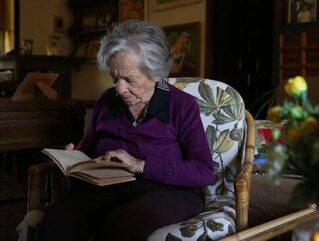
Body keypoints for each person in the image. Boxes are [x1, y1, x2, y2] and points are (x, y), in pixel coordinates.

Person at [34, 20, 215, 241]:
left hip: (167, 191)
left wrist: (139, 165)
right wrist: (75, 156)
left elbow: (204, 170)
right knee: (58, 219)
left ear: (156, 74)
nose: (119, 89)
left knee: (123, 224)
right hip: (107, 188)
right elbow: (90, 150)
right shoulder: (106, 100)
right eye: (114, 78)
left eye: (129, 80)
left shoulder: (181, 105)